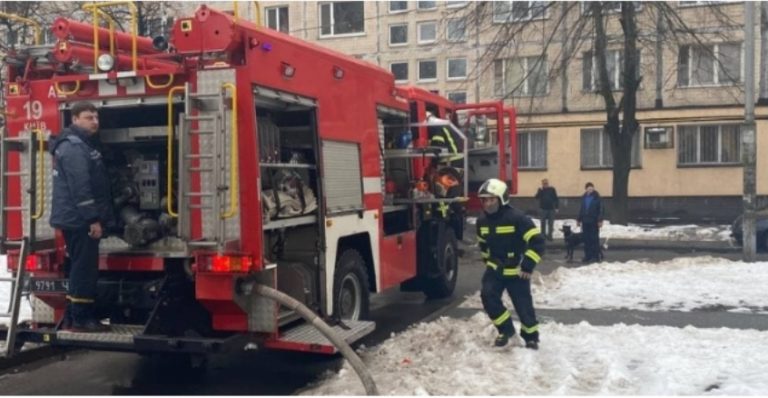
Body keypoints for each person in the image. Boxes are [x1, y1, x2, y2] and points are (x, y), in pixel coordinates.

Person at [50, 101, 114, 332]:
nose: (95, 122)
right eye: (89, 117)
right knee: (84, 269)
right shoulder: (75, 147)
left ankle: (72, 316)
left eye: (96, 117)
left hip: (75, 218)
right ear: (74, 119)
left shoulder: (79, 144)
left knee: (81, 267)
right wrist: (92, 220)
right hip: (79, 221)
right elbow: (81, 188)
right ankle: (81, 319)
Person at [476, 178, 545, 349]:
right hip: (495, 270)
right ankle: (506, 331)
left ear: (501, 199)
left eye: (491, 199)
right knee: (488, 296)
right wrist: (488, 261)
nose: (487, 204)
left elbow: (537, 241)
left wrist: (527, 265)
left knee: (524, 307)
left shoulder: (518, 218)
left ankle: (531, 337)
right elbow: (483, 244)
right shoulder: (482, 221)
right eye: (484, 200)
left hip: (517, 271)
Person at [577, 182, 603, 264]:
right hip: (585, 221)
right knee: (586, 239)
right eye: (588, 188)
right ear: (586, 189)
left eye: (591, 188)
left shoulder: (597, 198)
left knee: (594, 239)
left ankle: (595, 256)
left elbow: (601, 210)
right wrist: (579, 219)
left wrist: (600, 220)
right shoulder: (584, 198)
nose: (590, 189)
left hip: (594, 221)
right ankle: (587, 256)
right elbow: (582, 209)